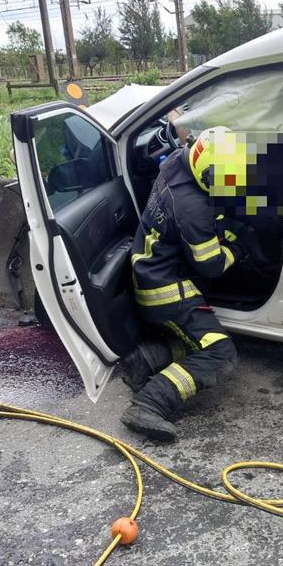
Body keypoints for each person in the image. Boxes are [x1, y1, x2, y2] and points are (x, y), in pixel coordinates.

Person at [118, 126, 250, 443]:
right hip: (166, 291)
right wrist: (237, 246)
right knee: (220, 351)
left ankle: (145, 360)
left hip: (154, 271)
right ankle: (150, 402)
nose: (226, 187)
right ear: (206, 172)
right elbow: (212, 265)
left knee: (199, 341)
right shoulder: (191, 207)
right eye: (221, 181)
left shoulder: (178, 161)